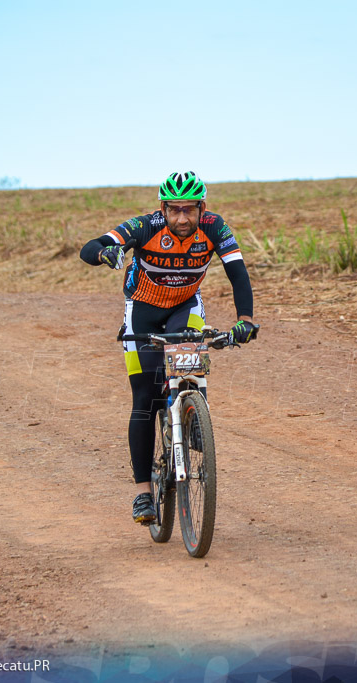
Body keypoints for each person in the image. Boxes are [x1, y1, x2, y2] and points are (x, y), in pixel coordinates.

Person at [79, 171, 258, 524]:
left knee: (189, 362)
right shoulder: (145, 226)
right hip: (142, 312)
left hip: (184, 307)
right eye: (174, 210)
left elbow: (238, 271)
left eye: (189, 210)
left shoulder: (214, 227)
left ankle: (192, 417)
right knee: (145, 398)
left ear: (201, 208)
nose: (181, 218)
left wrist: (246, 319)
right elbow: (90, 248)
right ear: (162, 208)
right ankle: (143, 493)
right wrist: (107, 254)